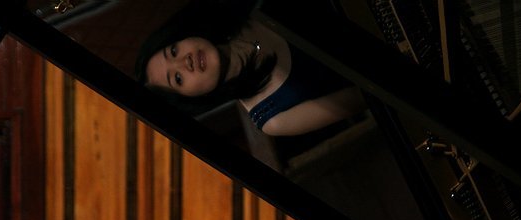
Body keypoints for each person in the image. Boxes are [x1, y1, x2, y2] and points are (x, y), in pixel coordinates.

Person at [134, 0, 368, 138]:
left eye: (174, 51)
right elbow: (369, 95)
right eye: (177, 78)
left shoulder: (239, 6)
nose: (185, 61)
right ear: (191, 100)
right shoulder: (273, 117)